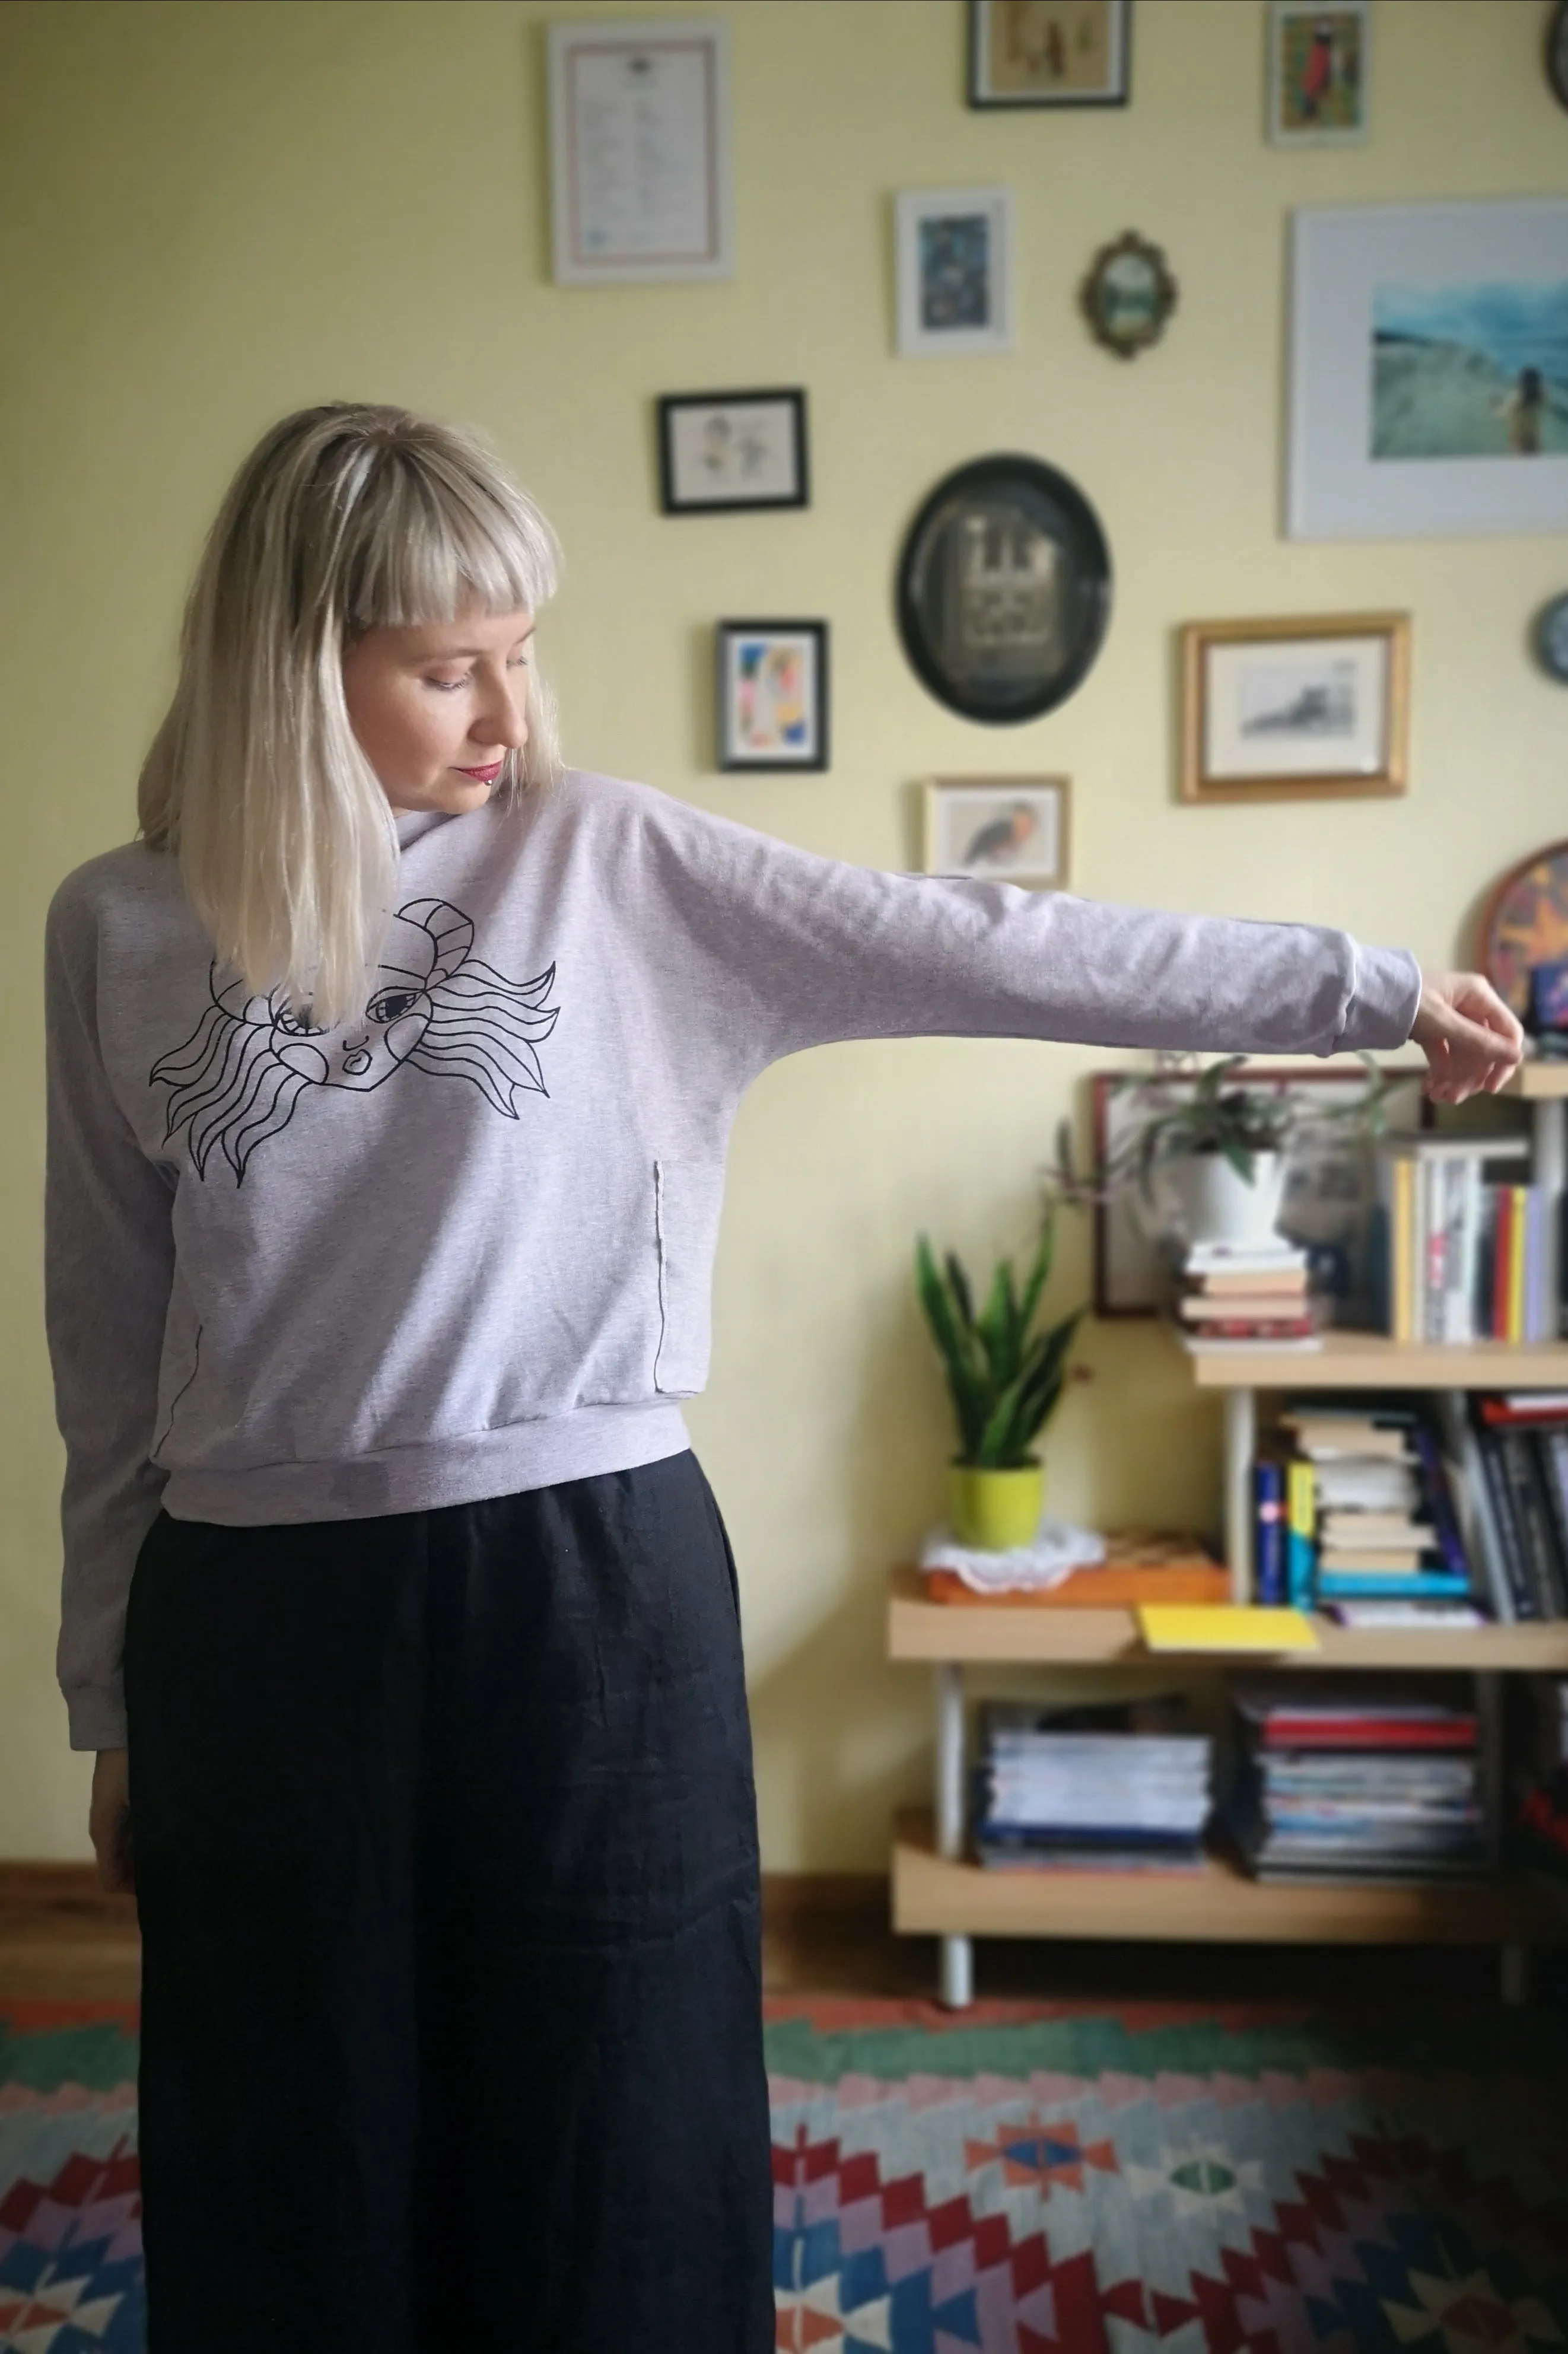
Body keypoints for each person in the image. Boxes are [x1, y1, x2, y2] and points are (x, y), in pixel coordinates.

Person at [43, 403, 1521, 2354]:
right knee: (285, 2151)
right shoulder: (124, 926)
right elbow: (105, 1330)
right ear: (292, 668)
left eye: (520, 648)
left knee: (615, 2151)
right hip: (253, 1625)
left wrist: (1360, 988)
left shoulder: (612, 865)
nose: (508, 708)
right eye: (446, 667)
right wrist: (109, 1700)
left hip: (585, 1589)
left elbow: (998, 942)